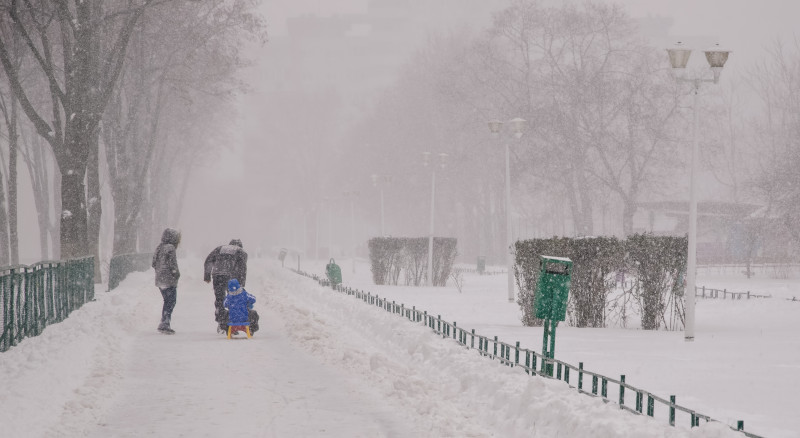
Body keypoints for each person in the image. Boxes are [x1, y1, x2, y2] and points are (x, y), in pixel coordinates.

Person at [204, 239, 248, 332]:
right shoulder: (241, 251)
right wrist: (241, 283)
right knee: (233, 300)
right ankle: (232, 324)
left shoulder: (220, 248)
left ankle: (221, 322)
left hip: (217, 275)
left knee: (220, 299)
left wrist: (207, 275)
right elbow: (242, 268)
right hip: (231, 276)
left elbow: (208, 260)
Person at [152, 228, 181, 334]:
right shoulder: (171, 248)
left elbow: (153, 263)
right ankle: (164, 323)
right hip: (169, 279)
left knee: (167, 301)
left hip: (160, 279)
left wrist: (160, 271)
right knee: (171, 301)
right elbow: (173, 264)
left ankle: (164, 322)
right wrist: (176, 274)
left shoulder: (159, 247)